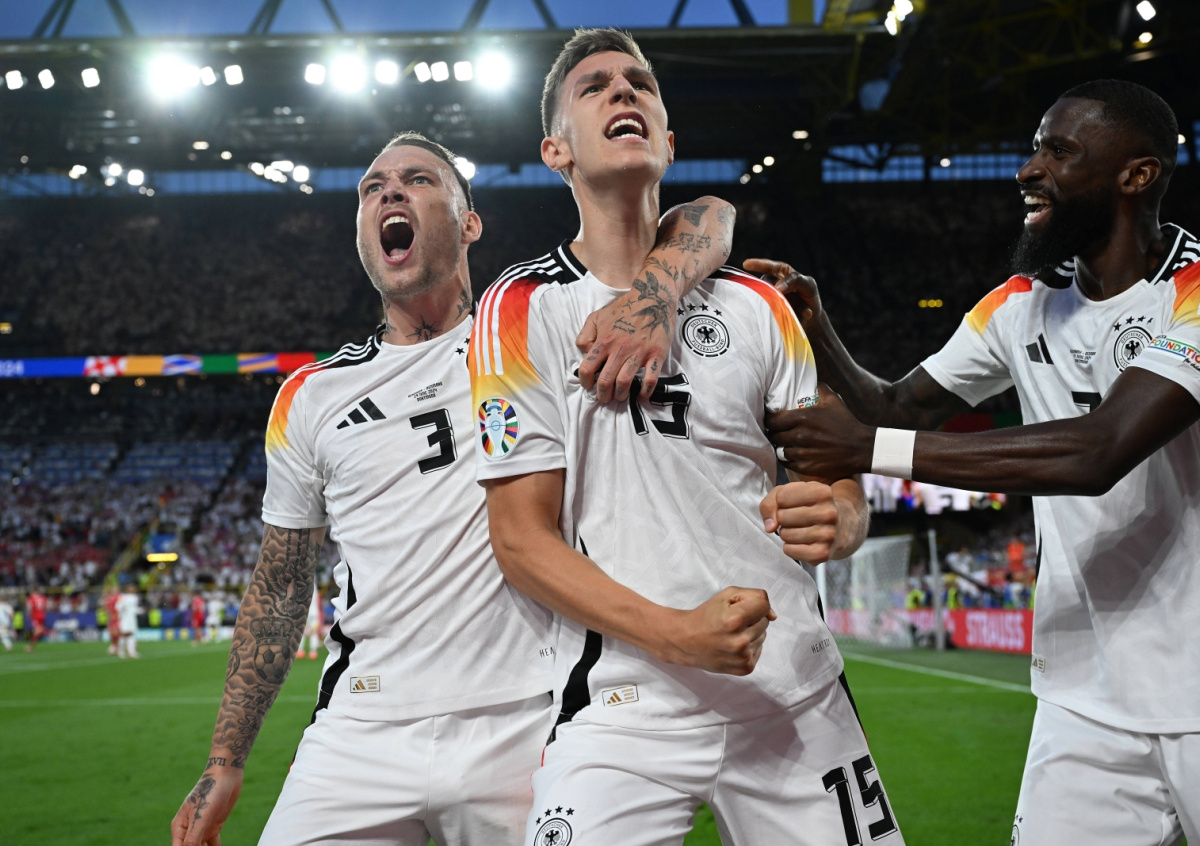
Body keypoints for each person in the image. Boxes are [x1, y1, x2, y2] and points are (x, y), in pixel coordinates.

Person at [170, 128, 733, 846]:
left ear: (470, 224)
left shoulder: (535, 328)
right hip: (360, 728)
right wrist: (224, 760)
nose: (390, 194)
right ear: (362, 234)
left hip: (528, 716)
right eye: (372, 190)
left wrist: (658, 292)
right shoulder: (308, 396)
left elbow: (708, 216)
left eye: (417, 180)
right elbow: (281, 585)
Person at [471, 29, 897, 846]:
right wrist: (677, 635)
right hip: (624, 704)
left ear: (670, 140)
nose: (623, 91)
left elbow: (834, 473)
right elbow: (521, 541)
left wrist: (844, 516)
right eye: (595, 86)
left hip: (795, 692)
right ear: (556, 150)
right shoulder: (520, 308)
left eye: (640, 83)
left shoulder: (759, 305)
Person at [759, 80, 1199, 845]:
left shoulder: (1192, 290)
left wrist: (869, 452)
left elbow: (1099, 450)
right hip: (1083, 697)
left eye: (1059, 151)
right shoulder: (1020, 301)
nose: (1028, 169)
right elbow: (898, 408)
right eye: (1033, 148)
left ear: (1138, 174)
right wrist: (818, 329)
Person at [295, 587, 321, 660]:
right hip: (313, 612)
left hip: (303, 611)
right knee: (314, 632)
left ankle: (300, 651)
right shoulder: (314, 587)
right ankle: (313, 652)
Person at [115, 584, 140, 659]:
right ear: (127, 589)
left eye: (133, 588)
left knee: (131, 634)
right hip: (125, 618)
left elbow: (134, 608)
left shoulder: (135, 597)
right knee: (123, 634)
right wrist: (123, 608)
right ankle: (121, 651)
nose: (132, 589)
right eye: (131, 588)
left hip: (132, 619)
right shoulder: (123, 597)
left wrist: (140, 610)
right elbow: (117, 606)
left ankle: (131, 652)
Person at [104, 585, 120, 655]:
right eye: (114, 591)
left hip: (119, 618)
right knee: (111, 632)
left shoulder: (121, 598)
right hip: (112, 619)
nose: (115, 592)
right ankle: (114, 645)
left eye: (116, 590)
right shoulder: (109, 600)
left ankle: (118, 646)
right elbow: (107, 610)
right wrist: (109, 618)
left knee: (118, 632)